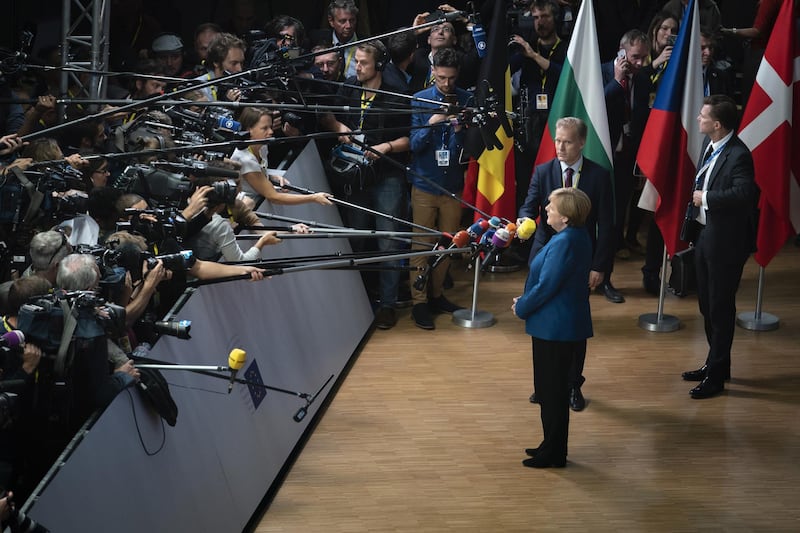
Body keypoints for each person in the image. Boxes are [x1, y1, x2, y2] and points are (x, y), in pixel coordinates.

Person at [518, 117, 613, 411]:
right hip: (543, 254)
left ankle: (573, 385)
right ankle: (543, 385)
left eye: (567, 141)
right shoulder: (543, 170)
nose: (559, 146)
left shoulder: (598, 175)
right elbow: (528, 204)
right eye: (557, 140)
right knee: (541, 321)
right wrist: (523, 219)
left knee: (571, 326)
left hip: (578, 260)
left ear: (581, 143)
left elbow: (608, 224)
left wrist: (600, 266)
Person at [319, 40, 411, 330]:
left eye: (363, 63)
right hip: (353, 177)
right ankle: (354, 302)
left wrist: (386, 146)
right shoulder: (348, 87)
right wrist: (337, 127)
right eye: (355, 62)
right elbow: (325, 115)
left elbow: (410, 139)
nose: (356, 67)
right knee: (355, 238)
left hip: (386, 177)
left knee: (388, 239)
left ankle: (387, 304)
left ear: (379, 66)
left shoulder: (396, 95)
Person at [681, 95, 759, 399]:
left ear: (717, 124)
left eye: (703, 116)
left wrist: (707, 198)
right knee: (706, 306)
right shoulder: (709, 146)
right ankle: (716, 364)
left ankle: (716, 376)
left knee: (720, 308)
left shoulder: (739, 154)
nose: (698, 119)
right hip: (704, 236)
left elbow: (744, 194)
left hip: (726, 243)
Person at [512, 187, 593, 468]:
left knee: (552, 393)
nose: (546, 208)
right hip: (557, 325)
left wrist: (522, 306)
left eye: (552, 206)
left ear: (567, 217)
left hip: (556, 328)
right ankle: (550, 444)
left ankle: (555, 453)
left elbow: (547, 285)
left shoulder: (565, 242)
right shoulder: (572, 237)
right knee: (550, 392)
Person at [407, 47, 471, 330]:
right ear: (433, 72)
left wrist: (460, 130)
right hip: (424, 183)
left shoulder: (467, 99)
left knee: (447, 244)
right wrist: (432, 125)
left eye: (451, 78)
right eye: (442, 78)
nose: (446, 84)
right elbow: (414, 145)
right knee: (421, 244)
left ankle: (436, 296)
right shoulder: (420, 100)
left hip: (453, 186)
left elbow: (472, 149)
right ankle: (419, 302)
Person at [600, 29, 653, 303]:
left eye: (645, 57)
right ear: (621, 52)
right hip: (598, 159)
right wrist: (618, 81)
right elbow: (593, 107)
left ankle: (605, 278)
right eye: (635, 57)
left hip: (624, 161)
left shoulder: (643, 80)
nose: (641, 63)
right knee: (592, 222)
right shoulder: (600, 71)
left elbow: (642, 122)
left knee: (615, 221)